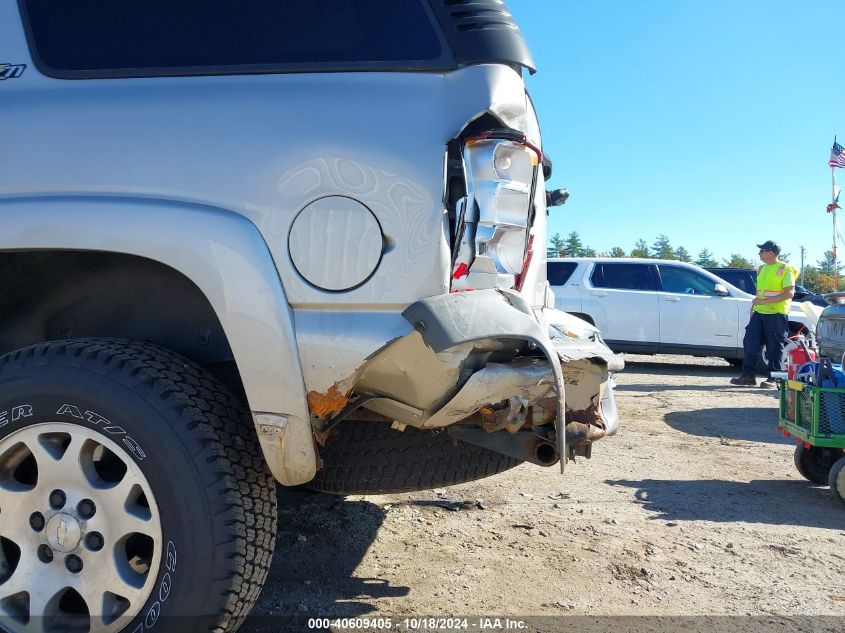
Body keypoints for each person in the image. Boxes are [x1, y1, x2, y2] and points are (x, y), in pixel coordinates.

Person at [730, 240, 795, 388]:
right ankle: (748, 376)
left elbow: (789, 293)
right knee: (750, 342)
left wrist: (765, 302)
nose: (759, 254)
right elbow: (760, 294)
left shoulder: (785, 269)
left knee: (774, 346)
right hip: (759, 313)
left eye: (761, 251)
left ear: (770, 253)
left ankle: (774, 378)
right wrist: (754, 310)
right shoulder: (761, 269)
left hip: (777, 314)